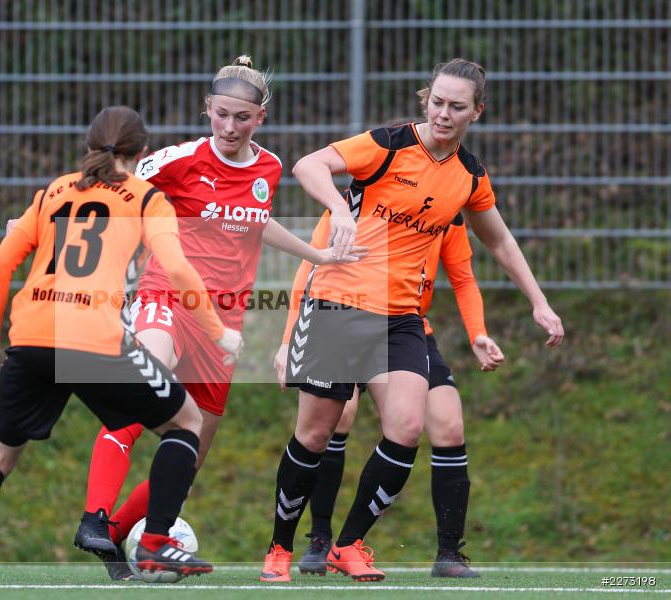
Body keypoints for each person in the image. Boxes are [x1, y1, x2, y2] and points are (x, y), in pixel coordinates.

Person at [259, 58, 564, 583]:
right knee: (314, 434)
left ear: (477, 113)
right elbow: (307, 165)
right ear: (427, 99)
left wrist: (538, 301)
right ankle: (280, 549)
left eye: (457, 107)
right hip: (339, 302)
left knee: (406, 427)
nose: (444, 114)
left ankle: (349, 543)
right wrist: (340, 206)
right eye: (437, 102)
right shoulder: (388, 143)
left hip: (400, 318)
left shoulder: (469, 175)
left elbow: (499, 239)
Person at [69, 56, 365, 580]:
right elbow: (107, 180)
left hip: (221, 323)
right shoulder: (179, 159)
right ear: (208, 109)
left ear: (261, 117)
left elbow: (256, 222)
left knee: (192, 451)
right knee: (144, 392)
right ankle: (93, 518)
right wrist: (53, 218)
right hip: (167, 293)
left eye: (242, 118)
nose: (230, 127)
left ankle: (122, 535)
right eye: (222, 114)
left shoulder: (268, 168)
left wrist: (316, 256)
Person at [0, 106, 244, 585]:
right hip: (94, 341)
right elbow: (178, 271)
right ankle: (155, 543)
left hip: (32, 336)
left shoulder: (54, 191)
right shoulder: (144, 196)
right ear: (142, 153)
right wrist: (219, 332)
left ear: (90, 147)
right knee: (187, 422)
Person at [273, 206, 504, 579]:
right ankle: (319, 539)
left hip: (405, 329)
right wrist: (288, 341)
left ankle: (447, 553)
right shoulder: (353, 207)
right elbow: (309, 269)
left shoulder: (447, 212)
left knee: (447, 424)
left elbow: (463, 278)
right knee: (333, 420)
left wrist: (477, 331)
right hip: (343, 319)